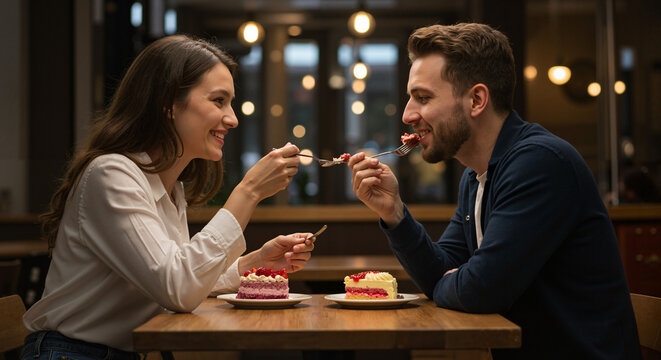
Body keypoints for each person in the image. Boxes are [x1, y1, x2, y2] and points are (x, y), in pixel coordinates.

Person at [348, 23, 641, 359]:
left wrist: (462, 281)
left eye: (423, 97)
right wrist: (394, 213)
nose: (407, 114)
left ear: (476, 99)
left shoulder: (540, 163)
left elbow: (480, 291)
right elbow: (442, 274)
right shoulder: (476, 176)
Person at [21, 35, 315, 359]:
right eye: (218, 101)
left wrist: (254, 264)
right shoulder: (110, 175)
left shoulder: (168, 186)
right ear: (168, 104)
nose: (232, 118)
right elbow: (178, 289)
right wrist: (249, 191)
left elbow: (176, 279)